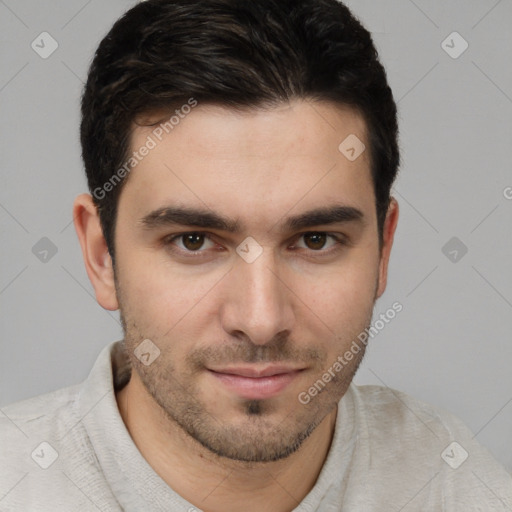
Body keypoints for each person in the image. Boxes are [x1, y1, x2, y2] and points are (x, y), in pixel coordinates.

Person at [1, 0, 511, 510]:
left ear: (383, 249)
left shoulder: (450, 479)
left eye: (316, 240)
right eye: (194, 241)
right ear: (101, 256)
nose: (262, 320)